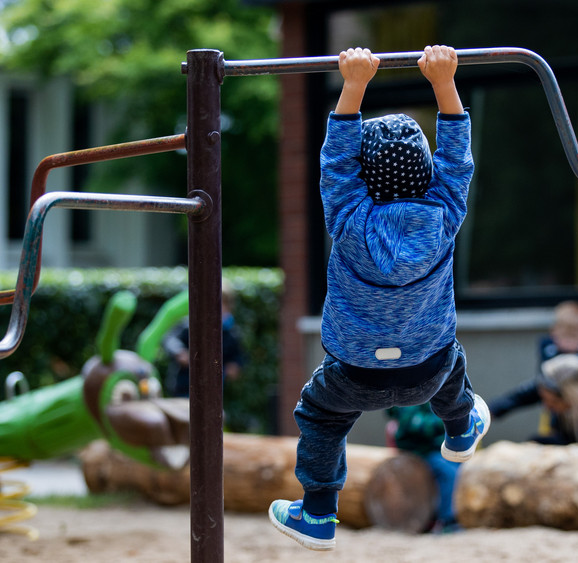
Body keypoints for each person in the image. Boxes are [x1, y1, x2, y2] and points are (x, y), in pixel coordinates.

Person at [268, 45, 489, 552]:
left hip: (353, 375)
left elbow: (336, 159)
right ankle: (459, 430)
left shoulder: (345, 216)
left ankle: (319, 515)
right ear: (427, 171)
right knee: (450, 360)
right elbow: (458, 158)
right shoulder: (444, 213)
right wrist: (443, 83)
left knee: (320, 416)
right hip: (427, 371)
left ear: (362, 178)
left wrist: (353, 84)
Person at [385, 404, 462, 533]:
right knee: (448, 472)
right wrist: (446, 421)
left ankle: (448, 516)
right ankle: (447, 521)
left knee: (457, 467)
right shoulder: (409, 398)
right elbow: (413, 425)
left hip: (435, 449)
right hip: (417, 451)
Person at [161, 284, 244, 398]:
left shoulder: (231, 332)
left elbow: (237, 354)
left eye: (222, 304)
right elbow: (170, 339)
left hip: (214, 388)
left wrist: (235, 365)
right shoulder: (191, 325)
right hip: (185, 384)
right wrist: (179, 351)